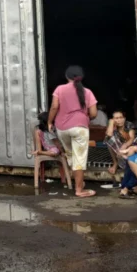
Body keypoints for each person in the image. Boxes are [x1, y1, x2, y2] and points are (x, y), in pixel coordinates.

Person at [48, 65, 98, 198]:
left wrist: (49, 122)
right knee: (79, 159)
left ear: (67, 76)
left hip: (62, 128)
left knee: (71, 156)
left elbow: (54, 107)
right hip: (80, 128)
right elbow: (93, 113)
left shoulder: (59, 89)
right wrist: (85, 117)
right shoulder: (87, 92)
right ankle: (79, 190)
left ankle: (78, 182)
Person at [105, 110, 136, 175]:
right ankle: (115, 163)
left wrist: (124, 146)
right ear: (113, 119)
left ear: (124, 118)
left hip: (129, 147)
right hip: (118, 149)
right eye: (116, 118)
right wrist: (111, 123)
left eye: (121, 117)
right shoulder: (112, 126)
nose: (119, 120)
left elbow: (132, 138)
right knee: (108, 139)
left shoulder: (128, 124)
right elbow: (109, 135)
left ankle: (125, 162)